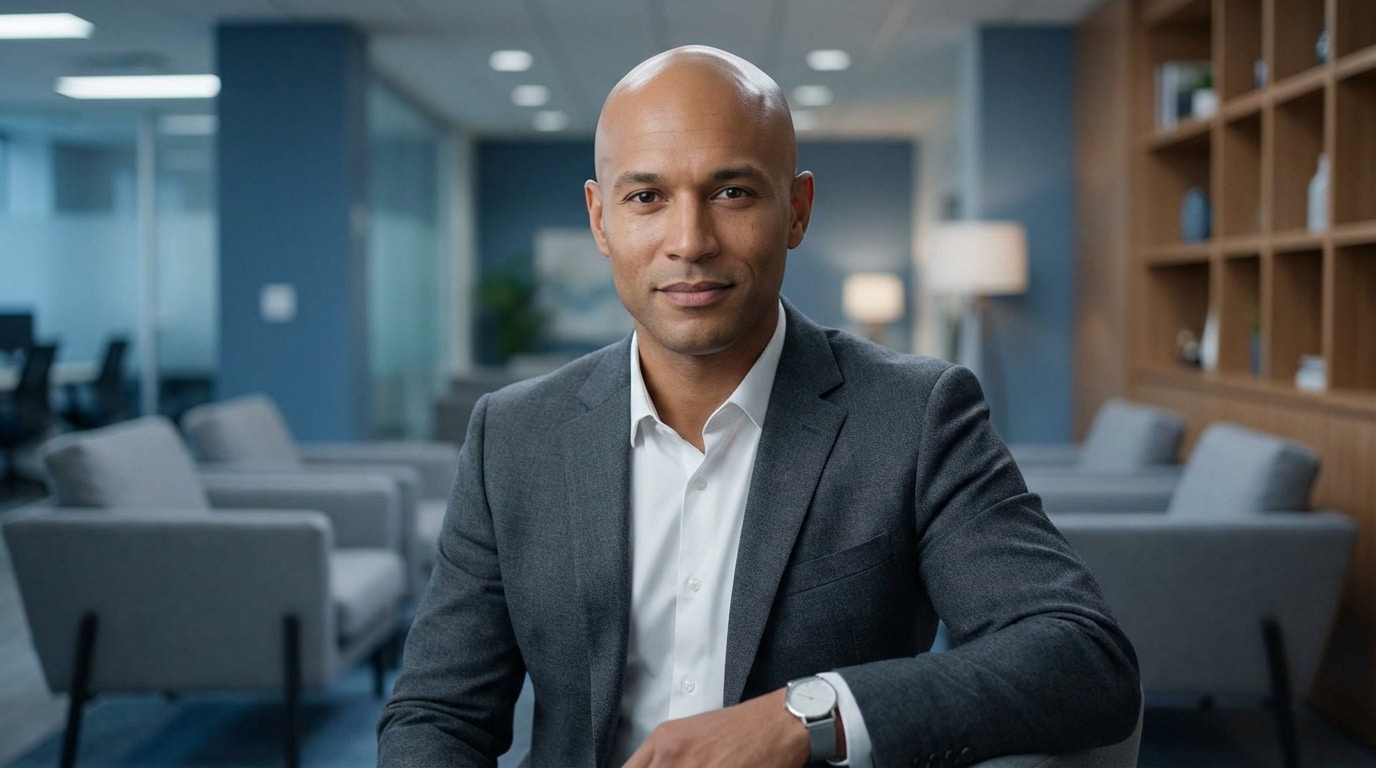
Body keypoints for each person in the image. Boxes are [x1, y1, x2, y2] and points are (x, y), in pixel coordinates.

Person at [378, 45, 1140, 768]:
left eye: (732, 192)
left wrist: (805, 716)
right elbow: (437, 714)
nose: (691, 240)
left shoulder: (915, 416)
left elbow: (1081, 658)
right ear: (600, 219)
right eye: (647, 197)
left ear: (797, 210)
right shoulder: (514, 434)